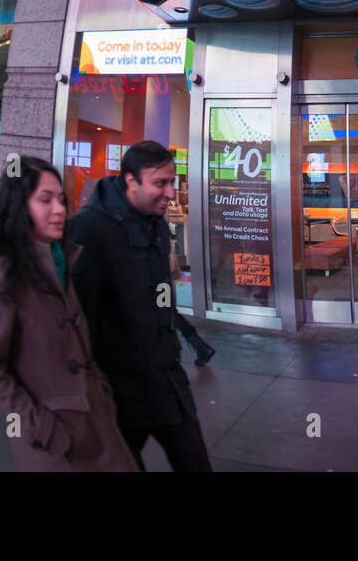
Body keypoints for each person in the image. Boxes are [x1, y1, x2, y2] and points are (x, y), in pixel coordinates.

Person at [0, 157, 138, 471]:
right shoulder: (0, 270)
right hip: (55, 443)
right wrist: (39, 425)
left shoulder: (59, 256)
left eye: (61, 200)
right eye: (45, 200)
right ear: (18, 206)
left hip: (96, 421)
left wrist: (102, 392)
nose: (59, 210)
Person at [68, 141, 212, 472]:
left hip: (167, 381)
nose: (170, 192)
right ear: (131, 181)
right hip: (119, 393)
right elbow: (78, 318)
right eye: (159, 183)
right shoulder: (88, 228)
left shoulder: (157, 224)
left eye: (172, 181)